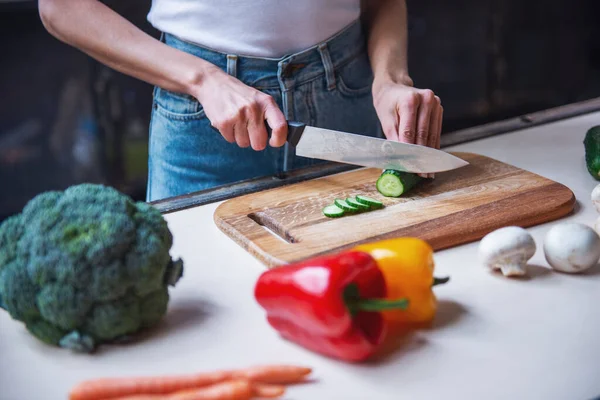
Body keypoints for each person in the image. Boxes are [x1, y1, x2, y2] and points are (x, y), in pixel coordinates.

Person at [38, 0, 443, 202]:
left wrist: (390, 79)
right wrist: (204, 79)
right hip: (205, 120)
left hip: (348, 101)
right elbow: (61, 7)